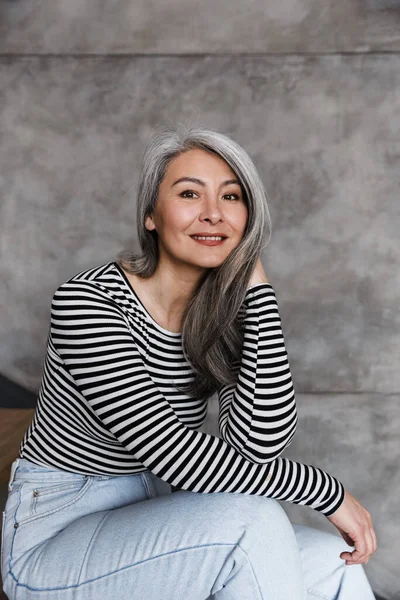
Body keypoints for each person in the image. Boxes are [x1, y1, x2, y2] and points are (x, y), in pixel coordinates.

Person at [1, 124, 377, 600]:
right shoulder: (88, 303)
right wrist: (325, 490)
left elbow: (257, 449)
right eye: (189, 193)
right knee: (252, 525)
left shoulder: (218, 314)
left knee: (331, 564)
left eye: (232, 197)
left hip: (153, 522)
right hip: (56, 543)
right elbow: (175, 454)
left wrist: (257, 293)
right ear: (151, 215)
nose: (214, 214)